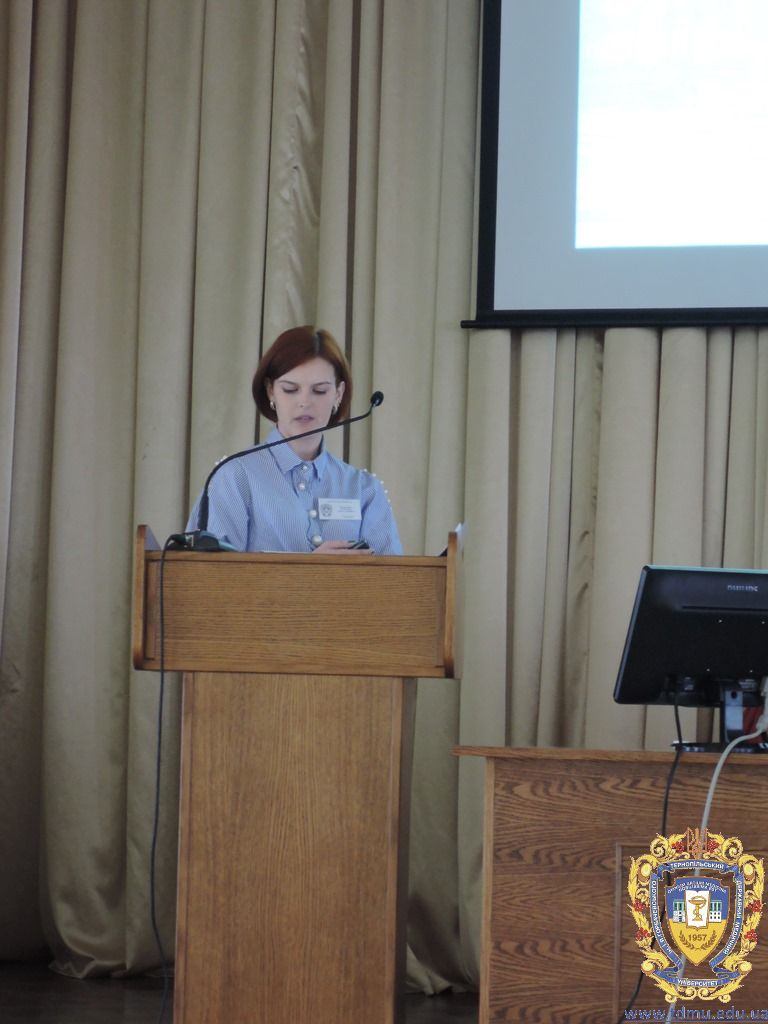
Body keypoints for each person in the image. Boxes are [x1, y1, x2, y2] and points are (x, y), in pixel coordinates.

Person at [186, 326, 403, 554]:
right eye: (290, 389)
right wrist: (309, 569)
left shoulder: (364, 489)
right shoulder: (234, 478)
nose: (304, 402)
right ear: (270, 391)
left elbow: (393, 574)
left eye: (319, 391)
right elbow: (208, 572)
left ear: (338, 394)